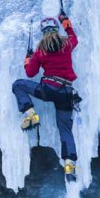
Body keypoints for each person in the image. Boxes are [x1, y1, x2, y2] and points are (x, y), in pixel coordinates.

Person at [11, 13, 80, 181]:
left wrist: (28, 59)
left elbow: (30, 72)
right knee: (65, 129)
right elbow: (73, 37)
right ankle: (70, 164)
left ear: (43, 33)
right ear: (56, 29)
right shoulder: (66, 44)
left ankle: (30, 114)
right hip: (66, 93)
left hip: (48, 90)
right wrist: (65, 21)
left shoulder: (40, 51)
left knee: (18, 85)